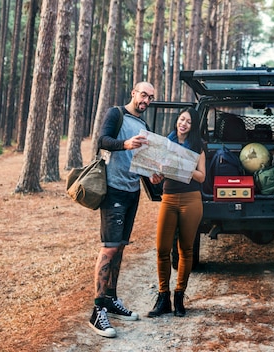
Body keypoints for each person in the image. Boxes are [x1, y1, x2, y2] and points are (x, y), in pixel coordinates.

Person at [89, 82, 156, 337]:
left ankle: (111, 299)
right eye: (143, 95)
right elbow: (103, 140)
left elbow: (143, 161)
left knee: (120, 247)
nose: (146, 100)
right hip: (114, 189)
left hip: (132, 191)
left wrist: (153, 177)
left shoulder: (144, 127)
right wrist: (125, 144)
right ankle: (97, 311)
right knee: (109, 247)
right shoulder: (116, 113)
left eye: (150, 97)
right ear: (133, 93)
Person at [147, 107, 206, 318]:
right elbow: (159, 172)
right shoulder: (166, 144)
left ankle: (179, 296)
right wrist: (156, 176)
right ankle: (163, 297)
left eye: (188, 122)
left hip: (191, 200)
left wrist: (185, 164)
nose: (184, 124)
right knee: (162, 248)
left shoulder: (198, 147)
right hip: (168, 199)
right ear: (176, 121)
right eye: (182, 119)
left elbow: (201, 177)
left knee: (186, 249)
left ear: (193, 126)